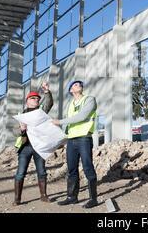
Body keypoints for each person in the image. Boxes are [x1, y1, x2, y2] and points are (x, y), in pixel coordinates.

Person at [52, 80, 98, 209]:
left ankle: (93, 199)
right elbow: (68, 124)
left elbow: (82, 116)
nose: (79, 85)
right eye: (75, 84)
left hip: (84, 138)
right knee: (72, 169)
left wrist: (59, 121)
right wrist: (63, 136)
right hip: (71, 140)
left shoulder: (89, 99)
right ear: (71, 90)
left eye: (79, 84)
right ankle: (72, 197)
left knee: (88, 167)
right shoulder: (71, 104)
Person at [13, 82, 53, 206]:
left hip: (39, 147)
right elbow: (14, 132)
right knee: (20, 173)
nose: (36, 100)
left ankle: (43, 196)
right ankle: (17, 198)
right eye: (33, 98)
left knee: (42, 171)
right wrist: (21, 129)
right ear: (27, 101)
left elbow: (49, 103)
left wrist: (47, 91)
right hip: (25, 147)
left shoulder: (41, 112)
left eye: (37, 98)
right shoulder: (21, 116)